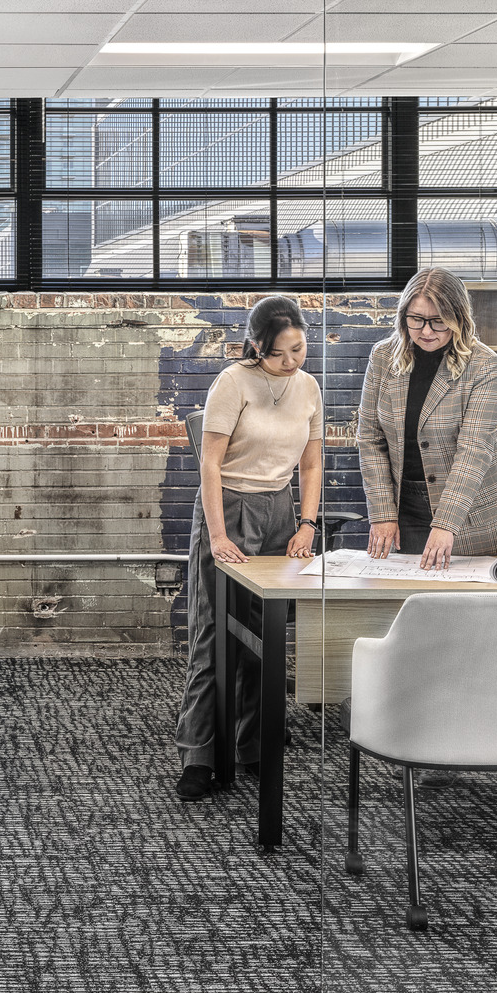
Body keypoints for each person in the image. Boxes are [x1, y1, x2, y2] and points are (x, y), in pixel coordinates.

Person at [175, 295, 324, 802]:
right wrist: (217, 537)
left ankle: (254, 747)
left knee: (265, 639)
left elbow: (310, 465)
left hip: (281, 512)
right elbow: (210, 466)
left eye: (299, 349)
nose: (292, 361)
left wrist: (306, 524)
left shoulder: (308, 388)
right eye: (280, 354)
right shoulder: (232, 383)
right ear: (256, 348)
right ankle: (198, 755)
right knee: (214, 637)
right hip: (229, 508)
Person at [358, 267, 497, 572]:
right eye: (416, 319)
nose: (426, 331)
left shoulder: (484, 365)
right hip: (405, 507)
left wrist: (446, 522)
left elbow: (474, 451)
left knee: (468, 609)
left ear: (458, 319)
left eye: (438, 321)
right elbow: (370, 438)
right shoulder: (382, 357)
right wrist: (382, 512)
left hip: (471, 513)